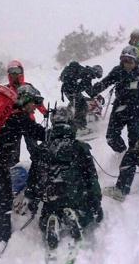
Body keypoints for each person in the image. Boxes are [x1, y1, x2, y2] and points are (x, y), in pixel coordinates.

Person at [23, 107, 103, 249]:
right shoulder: (80, 147)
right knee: (88, 213)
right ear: (70, 123)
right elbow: (91, 177)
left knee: (47, 213)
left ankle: (51, 219)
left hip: (50, 197)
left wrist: (32, 198)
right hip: (74, 195)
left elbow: (32, 178)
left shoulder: (42, 148)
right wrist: (96, 201)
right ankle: (76, 216)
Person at [0, 85, 46, 242]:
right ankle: (2, 235)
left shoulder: (7, 113)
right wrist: (61, 131)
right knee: (5, 200)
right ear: (26, 100)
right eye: (34, 103)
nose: (35, 108)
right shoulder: (18, 117)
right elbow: (39, 133)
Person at [91, 46, 139, 153]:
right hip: (119, 107)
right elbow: (105, 82)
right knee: (111, 138)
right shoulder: (118, 71)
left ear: (136, 60)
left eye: (130, 60)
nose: (127, 64)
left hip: (135, 109)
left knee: (134, 142)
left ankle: (131, 158)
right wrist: (93, 90)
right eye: (124, 60)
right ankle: (122, 154)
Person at [59, 61, 103, 131]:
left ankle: (72, 123)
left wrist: (94, 95)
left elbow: (86, 87)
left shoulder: (85, 71)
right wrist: (95, 95)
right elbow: (88, 89)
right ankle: (79, 127)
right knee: (82, 106)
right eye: (96, 76)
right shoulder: (88, 74)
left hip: (69, 89)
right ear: (96, 72)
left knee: (79, 103)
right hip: (71, 90)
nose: (95, 78)